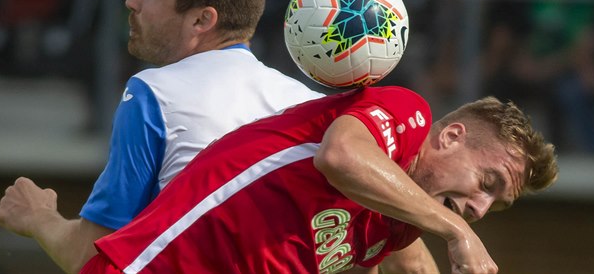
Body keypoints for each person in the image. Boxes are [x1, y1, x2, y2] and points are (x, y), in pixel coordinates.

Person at [0, 0, 326, 274]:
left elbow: (91, 257)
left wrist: (38, 217)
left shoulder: (154, 93)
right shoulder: (311, 106)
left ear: (201, 19)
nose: (132, 1)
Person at [78, 86, 558, 274]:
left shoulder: (396, 223)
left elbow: (406, 265)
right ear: (452, 136)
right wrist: (459, 234)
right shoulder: (407, 113)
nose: (479, 207)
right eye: (488, 181)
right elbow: (341, 156)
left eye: (495, 205)